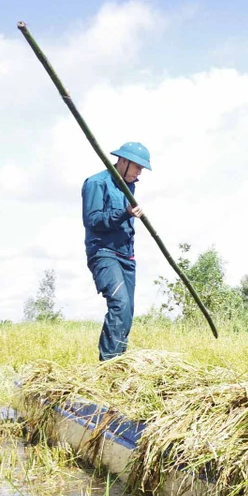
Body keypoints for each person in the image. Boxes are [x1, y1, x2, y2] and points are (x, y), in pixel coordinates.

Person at [82, 142, 150, 361]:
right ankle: (108, 367)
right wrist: (125, 212)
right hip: (104, 252)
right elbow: (92, 220)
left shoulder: (130, 185)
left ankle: (119, 363)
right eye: (137, 167)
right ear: (123, 161)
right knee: (119, 304)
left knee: (127, 312)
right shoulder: (96, 183)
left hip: (126, 257)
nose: (139, 172)